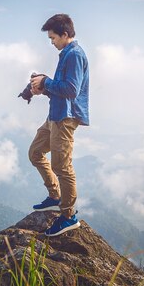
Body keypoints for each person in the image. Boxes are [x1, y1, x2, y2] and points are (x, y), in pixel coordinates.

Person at [28, 13, 89, 237]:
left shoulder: (74, 55)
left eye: (53, 37)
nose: (51, 42)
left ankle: (68, 216)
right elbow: (61, 89)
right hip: (54, 115)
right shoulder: (66, 54)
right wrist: (43, 88)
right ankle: (55, 196)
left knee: (62, 167)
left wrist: (46, 81)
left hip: (65, 118)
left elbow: (72, 90)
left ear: (65, 34)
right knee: (35, 153)